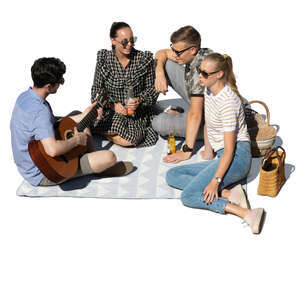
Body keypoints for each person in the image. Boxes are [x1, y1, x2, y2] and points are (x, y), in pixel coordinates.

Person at [166, 53, 265, 234]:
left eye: (204, 73)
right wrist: (208, 151)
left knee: (188, 195)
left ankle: (246, 213)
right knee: (172, 175)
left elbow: (229, 150)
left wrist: (215, 181)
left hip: (237, 157)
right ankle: (229, 193)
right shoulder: (209, 90)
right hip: (223, 155)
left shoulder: (228, 102)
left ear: (219, 74)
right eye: (198, 70)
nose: (199, 76)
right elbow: (209, 122)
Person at [10, 57, 133, 187]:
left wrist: (85, 115)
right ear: (48, 86)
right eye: (60, 81)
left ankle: (91, 156)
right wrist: (76, 141)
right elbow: (52, 150)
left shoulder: (25, 97)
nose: (61, 84)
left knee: (76, 114)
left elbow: (45, 123)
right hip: (46, 172)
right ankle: (98, 166)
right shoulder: (40, 112)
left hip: (28, 163)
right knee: (109, 158)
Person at [91, 22, 159, 147]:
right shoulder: (104, 59)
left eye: (132, 40)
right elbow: (96, 89)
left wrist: (139, 100)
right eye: (124, 42)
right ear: (113, 41)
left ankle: (104, 133)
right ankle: (107, 132)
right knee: (102, 120)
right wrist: (112, 106)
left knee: (132, 139)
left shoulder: (143, 59)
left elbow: (152, 90)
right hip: (111, 110)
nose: (129, 45)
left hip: (136, 113)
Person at [152, 25, 213, 163]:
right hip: (200, 102)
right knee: (164, 63)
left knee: (157, 123)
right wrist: (159, 72)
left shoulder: (201, 71)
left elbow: (196, 114)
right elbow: (161, 53)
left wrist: (187, 150)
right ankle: (176, 113)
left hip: (208, 120)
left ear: (192, 50)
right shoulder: (199, 53)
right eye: (173, 49)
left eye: (177, 52)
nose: (174, 54)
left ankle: (180, 119)